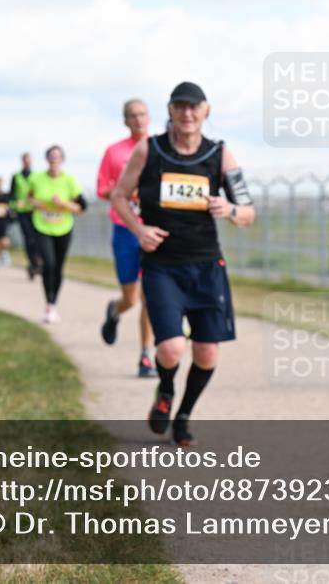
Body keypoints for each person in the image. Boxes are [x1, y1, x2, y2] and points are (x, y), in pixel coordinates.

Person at [111, 81, 255, 446]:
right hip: (162, 265)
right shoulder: (150, 149)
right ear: (171, 110)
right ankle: (165, 389)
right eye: (180, 106)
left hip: (207, 265)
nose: (188, 114)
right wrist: (138, 228)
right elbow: (118, 195)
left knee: (206, 352)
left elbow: (249, 212)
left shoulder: (220, 155)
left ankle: (184, 414)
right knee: (172, 347)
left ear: (206, 111)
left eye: (195, 107)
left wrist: (231, 209)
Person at [97, 98, 156, 377]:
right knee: (130, 299)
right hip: (125, 228)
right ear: (125, 120)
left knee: (149, 295)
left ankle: (146, 356)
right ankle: (114, 311)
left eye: (143, 114)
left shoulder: (158, 148)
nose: (139, 120)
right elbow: (103, 189)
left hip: (153, 227)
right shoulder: (114, 152)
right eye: (133, 116)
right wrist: (125, 193)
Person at [28, 145, 86, 323]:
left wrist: (62, 203)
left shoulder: (70, 181)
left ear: (62, 159)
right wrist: (36, 203)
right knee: (49, 264)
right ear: (47, 159)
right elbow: (29, 197)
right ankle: (49, 303)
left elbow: (80, 208)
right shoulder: (36, 178)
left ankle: (53, 303)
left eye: (57, 156)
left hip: (63, 227)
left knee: (59, 266)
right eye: (51, 156)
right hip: (42, 226)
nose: (54, 159)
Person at [12, 153, 43, 280]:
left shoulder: (37, 176)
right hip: (22, 212)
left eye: (29, 161)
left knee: (38, 238)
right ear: (22, 162)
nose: (27, 163)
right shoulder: (17, 176)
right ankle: (32, 263)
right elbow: (12, 195)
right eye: (25, 161)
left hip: (35, 211)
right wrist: (14, 204)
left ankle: (38, 262)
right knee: (28, 239)